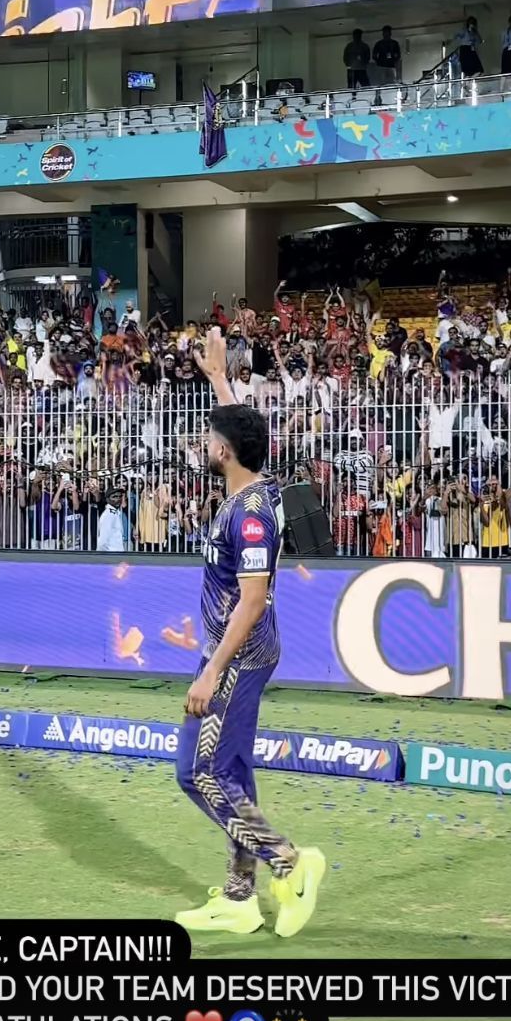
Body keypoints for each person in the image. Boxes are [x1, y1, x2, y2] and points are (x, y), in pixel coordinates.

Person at [174, 326, 325, 938]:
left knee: (198, 772)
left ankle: (290, 861)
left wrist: (212, 668)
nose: (203, 442)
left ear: (224, 453)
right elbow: (247, 430)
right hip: (237, 654)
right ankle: (241, 899)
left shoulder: (254, 513)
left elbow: (255, 598)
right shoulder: (254, 484)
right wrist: (217, 379)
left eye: (210, 438)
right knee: (232, 773)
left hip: (237, 658)